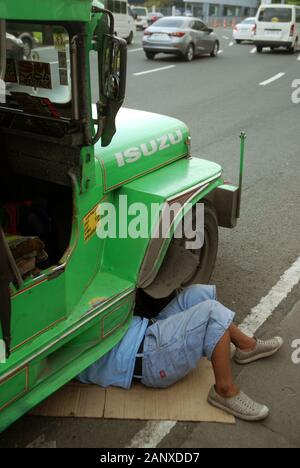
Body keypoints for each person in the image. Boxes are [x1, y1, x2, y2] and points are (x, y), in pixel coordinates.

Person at [78, 284, 283, 421]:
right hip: (150, 358)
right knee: (212, 313)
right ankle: (224, 390)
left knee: (198, 293)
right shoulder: (65, 343)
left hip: (149, 331)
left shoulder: (73, 308)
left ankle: (246, 347)